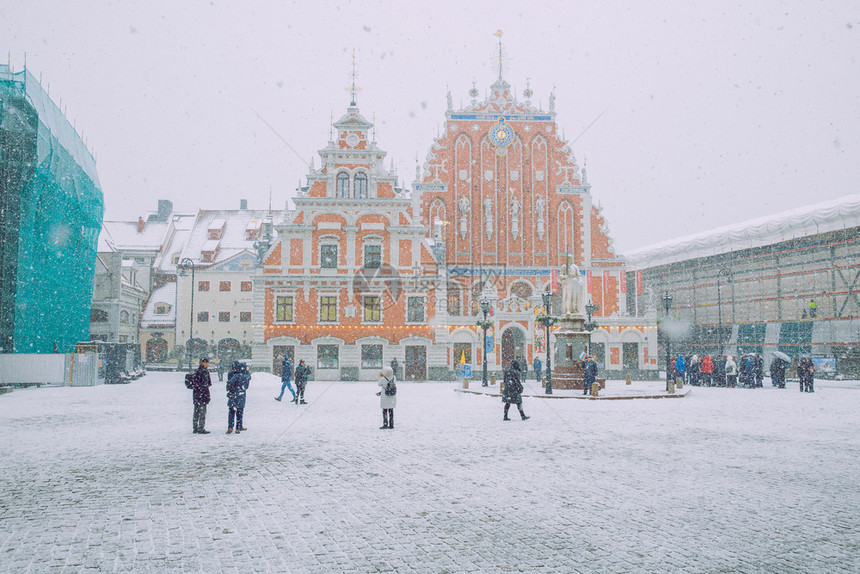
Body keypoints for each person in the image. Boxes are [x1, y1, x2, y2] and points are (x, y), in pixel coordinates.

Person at [226, 361, 250, 434]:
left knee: (231, 412)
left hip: (233, 395)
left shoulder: (234, 375)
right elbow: (247, 383)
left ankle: (230, 426)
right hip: (241, 396)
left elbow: (229, 383)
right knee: (240, 412)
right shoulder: (245, 376)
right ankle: (238, 428)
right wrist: (247, 372)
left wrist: (229, 389)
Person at [190, 358, 212, 434]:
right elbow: (206, 384)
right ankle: (201, 428)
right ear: (204, 363)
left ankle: (195, 427)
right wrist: (207, 396)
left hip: (196, 394)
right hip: (202, 395)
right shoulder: (204, 372)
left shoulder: (197, 371)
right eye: (207, 363)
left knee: (196, 411)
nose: (208, 365)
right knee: (202, 412)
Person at [377, 365, 397, 429]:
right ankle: (391, 424)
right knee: (391, 411)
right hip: (392, 397)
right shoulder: (394, 377)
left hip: (385, 396)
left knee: (385, 411)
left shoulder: (383, 379)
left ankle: (385, 424)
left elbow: (379, 384)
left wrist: (380, 377)